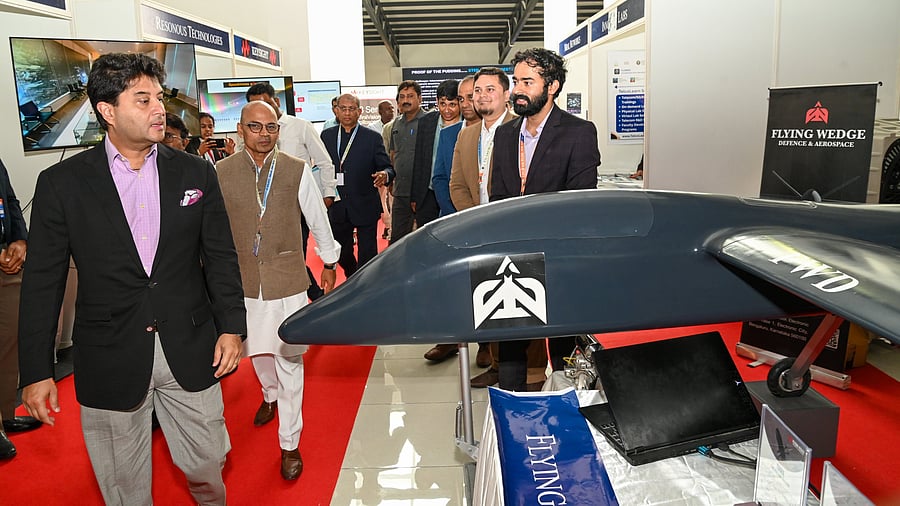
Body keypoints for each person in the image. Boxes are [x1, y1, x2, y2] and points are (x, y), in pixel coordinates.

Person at [17, 53, 247, 505]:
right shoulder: (62, 184)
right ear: (107, 111)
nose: (159, 109)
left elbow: (219, 256)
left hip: (190, 343)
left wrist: (232, 327)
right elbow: (43, 282)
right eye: (143, 100)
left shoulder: (195, 172)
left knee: (207, 463)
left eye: (159, 98)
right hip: (110, 351)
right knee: (123, 485)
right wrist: (37, 370)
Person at [216, 100, 341, 481]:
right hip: (242, 282)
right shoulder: (221, 172)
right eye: (256, 127)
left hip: (287, 279)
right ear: (241, 129)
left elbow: (317, 218)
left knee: (289, 361)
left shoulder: (295, 169)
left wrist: (330, 260)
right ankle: (268, 395)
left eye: (271, 127)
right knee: (257, 352)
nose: (264, 134)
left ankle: (289, 443)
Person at [490, 48, 601, 392]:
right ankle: (512, 416)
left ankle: (566, 414)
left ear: (551, 86)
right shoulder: (506, 135)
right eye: (515, 81)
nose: (517, 89)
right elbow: (497, 199)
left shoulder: (578, 132)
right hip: (512, 262)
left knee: (565, 347)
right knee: (510, 349)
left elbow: (580, 205)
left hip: (560, 262)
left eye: (527, 81)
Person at [446, 67, 518, 375]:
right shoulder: (467, 134)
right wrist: (473, 218)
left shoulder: (521, 129)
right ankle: (495, 363)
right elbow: (457, 184)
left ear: (506, 95)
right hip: (476, 229)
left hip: (511, 230)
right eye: (478, 91)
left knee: (516, 302)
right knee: (486, 297)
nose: (482, 96)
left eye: (490, 89)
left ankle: (520, 370)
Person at [245, 82, 336, 302]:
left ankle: (309, 295)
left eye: (264, 103)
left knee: (295, 254)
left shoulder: (301, 127)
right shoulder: (247, 140)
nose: (263, 132)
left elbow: (324, 161)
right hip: (260, 213)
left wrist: (328, 194)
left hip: (298, 207)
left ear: (275, 102)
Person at [321, 94, 394, 276]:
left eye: (351, 109)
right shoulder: (327, 136)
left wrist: (385, 175)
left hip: (365, 203)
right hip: (337, 205)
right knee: (342, 252)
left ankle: (366, 286)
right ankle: (353, 275)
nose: (347, 113)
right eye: (343, 108)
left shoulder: (371, 138)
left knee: (368, 255)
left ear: (359, 112)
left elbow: (387, 167)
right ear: (336, 111)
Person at [1, 158, 39, 461]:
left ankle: (3, 414)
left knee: (10, 341)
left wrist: (20, 239)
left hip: (8, 263)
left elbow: (10, 200)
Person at [409, 79, 459, 236]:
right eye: (443, 104)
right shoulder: (426, 122)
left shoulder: (467, 125)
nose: (447, 110)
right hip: (428, 191)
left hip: (455, 193)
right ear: (437, 101)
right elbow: (419, 159)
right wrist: (415, 195)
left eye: (452, 104)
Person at [432, 75, 480, 218]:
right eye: (461, 99)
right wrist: (453, 213)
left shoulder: (498, 131)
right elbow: (439, 178)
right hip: (452, 215)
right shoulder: (448, 134)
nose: (465, 104)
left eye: (470, 98)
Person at [388, 80, 426, 244]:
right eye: (402, 97)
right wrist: (391, 179)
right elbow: (393, 152)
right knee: (397, 240)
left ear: (420, 99)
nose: (406, 100)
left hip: (422, 192)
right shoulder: (396, 123)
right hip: (400, 192)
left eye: (410, 96)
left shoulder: (429, 121)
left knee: (424, 238)